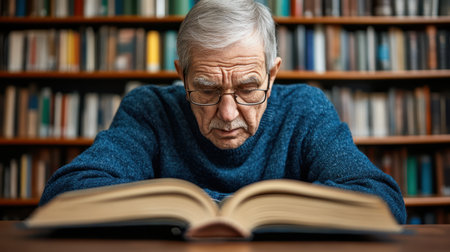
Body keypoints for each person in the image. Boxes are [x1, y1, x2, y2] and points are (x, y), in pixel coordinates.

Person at [40, 0, 406, 224]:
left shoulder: (305, 110)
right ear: (181, 76)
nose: (228, 114)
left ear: (272, 74)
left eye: (248, 88)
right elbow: (66, 196)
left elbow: (379, 200)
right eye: (207, 89)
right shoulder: (150, 110)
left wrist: (194, 206)